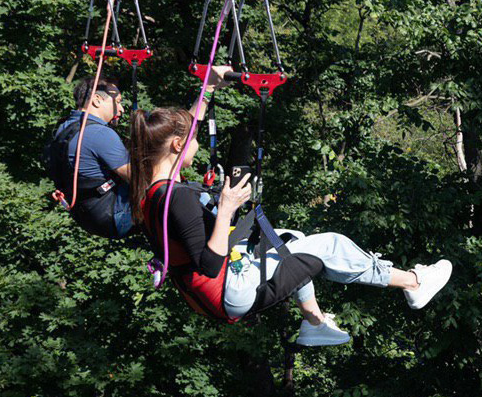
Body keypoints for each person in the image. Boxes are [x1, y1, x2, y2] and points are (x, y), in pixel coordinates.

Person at [129, 98, 453, 345]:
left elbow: (193, 249)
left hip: (210, 296)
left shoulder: (150, 192)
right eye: (193, 138)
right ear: (176, 145)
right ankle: (413, 283)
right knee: (330, 244)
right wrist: (226, 208)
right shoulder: (178, 198)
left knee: (288, 238)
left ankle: (314, 324)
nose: (197, 144)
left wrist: (208, 90)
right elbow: (209, 263)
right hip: (229, 290)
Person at [42, 77, 135, 238]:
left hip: (86, 216)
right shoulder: (100, 133)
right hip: (113, 216)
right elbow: (140, 179)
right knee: (177, 195)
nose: (121, 109)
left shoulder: (64, 128)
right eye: (117, 102)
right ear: (97, 100)